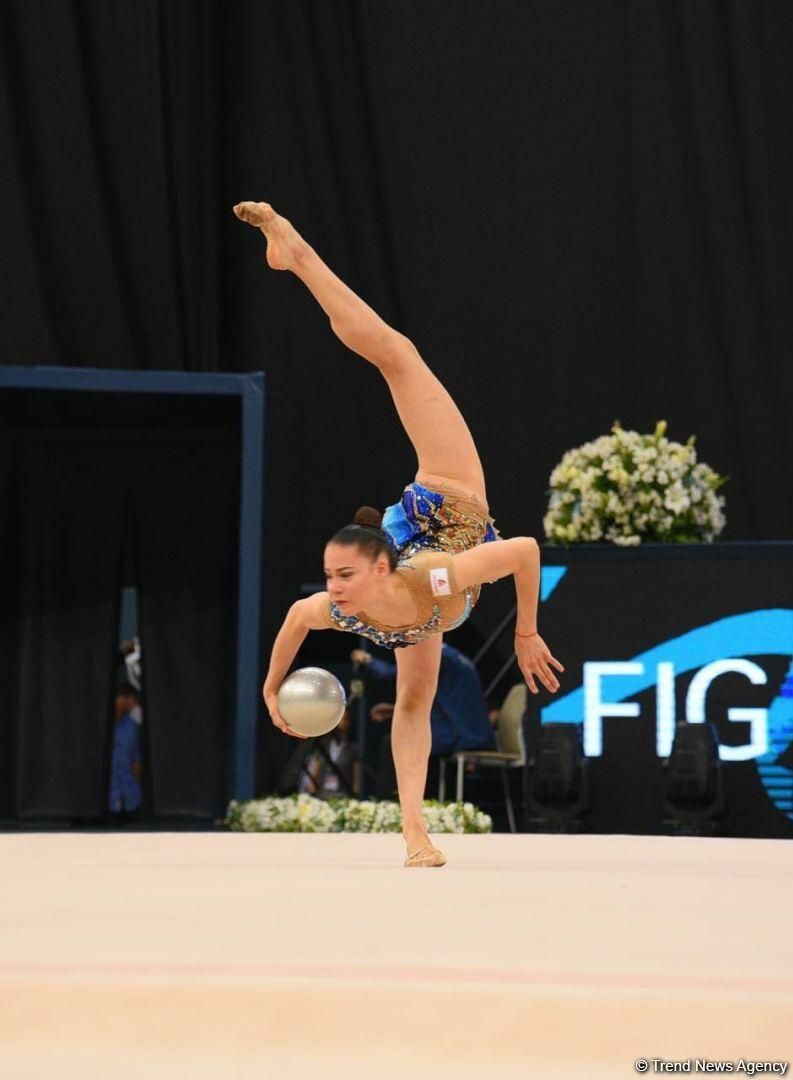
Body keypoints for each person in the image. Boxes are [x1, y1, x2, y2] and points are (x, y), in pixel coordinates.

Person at [234, 201, 564, 868]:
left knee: (397, 355)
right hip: (420, 595)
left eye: (343, 576)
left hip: (448, 490)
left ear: (378, 571)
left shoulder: (431, 577)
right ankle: (415, 834)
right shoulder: (349, 608)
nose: (331, 589)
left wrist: (526, 632)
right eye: (330, 576)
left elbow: (525, 551)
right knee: (413, 702)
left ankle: (296, 253)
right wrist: (270, 687)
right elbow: (295, 621)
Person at [352, 643, 496, 798]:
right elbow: (445, 702)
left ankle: (389, 803)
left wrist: (368, 660)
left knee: (394, 741)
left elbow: (394, 674)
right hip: (472, 734)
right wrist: (395, 709)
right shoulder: (454, 655)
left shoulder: (438, 656)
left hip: (462, 736)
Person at [109, 681, 142, 824]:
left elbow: (136, 762)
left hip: (129, 800)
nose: (133, 704)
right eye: (130, 699)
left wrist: (135, 788)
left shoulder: (133, 728)